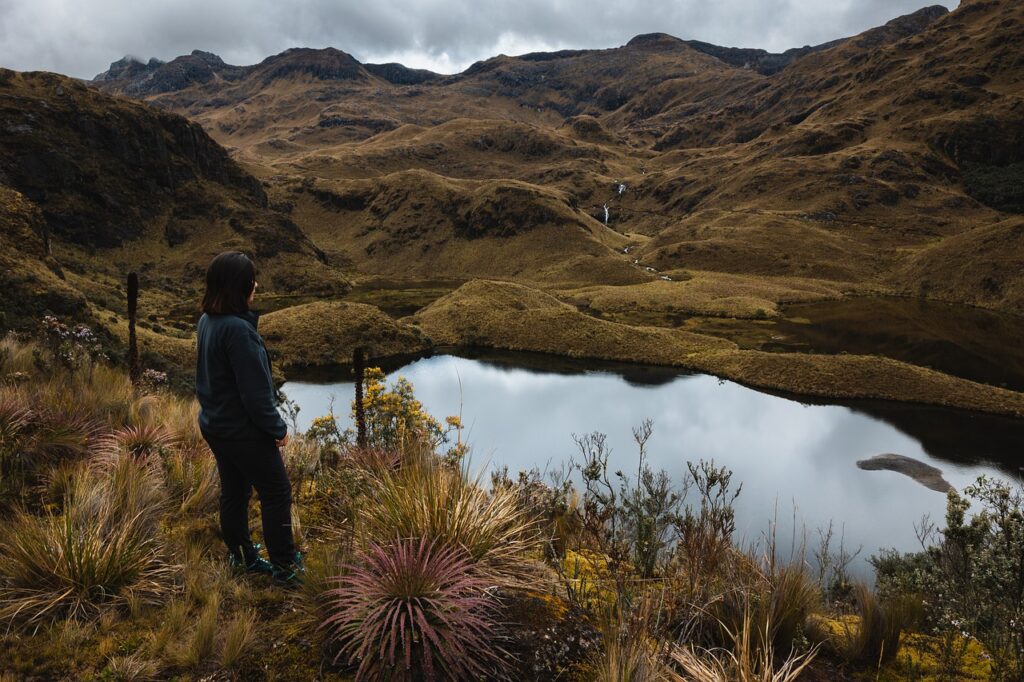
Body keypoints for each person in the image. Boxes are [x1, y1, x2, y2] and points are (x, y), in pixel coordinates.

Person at [195, 251, 303, 585]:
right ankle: (285, 566)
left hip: (216, 425)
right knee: (276, 492)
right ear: (242, 286)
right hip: (242, 431)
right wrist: (278, 428)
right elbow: (256, 396)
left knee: (234, 492)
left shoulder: (207, 321)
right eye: (252, 279)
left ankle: (242, 556)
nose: (256, 284)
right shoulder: (239, 332)